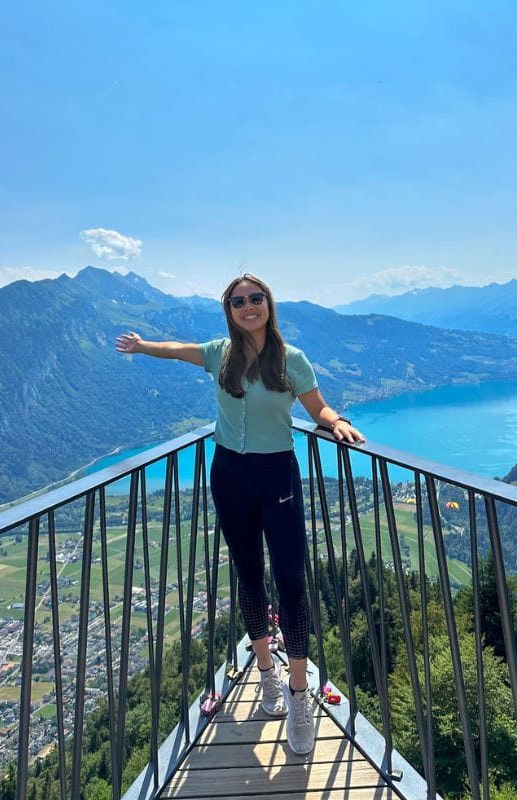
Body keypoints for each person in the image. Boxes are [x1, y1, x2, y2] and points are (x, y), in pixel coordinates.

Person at [116, 273, 365, 756]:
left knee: (291, 581)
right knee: (249, 577)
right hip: (229, 473)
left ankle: (298, 696)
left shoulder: (291, 360)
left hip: (277, 477)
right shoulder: (219, 355)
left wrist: (338, 424)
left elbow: (319, 408)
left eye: (256, 298)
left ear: (269, 305)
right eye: (238, 301)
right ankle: (267, 678)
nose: (248, 306)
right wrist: (144, 345)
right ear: (228, 309)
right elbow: (176, 349)